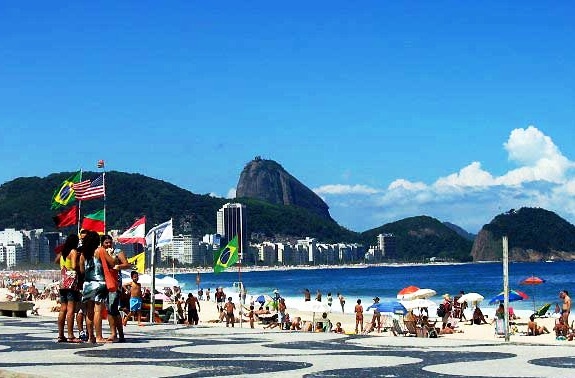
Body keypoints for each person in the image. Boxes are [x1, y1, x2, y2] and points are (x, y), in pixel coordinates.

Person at [100, 235, 130, 342]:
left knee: (113, 307)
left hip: (115, 283)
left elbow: (127, 264)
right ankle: (115, 333)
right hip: (104, 283)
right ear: (102, 243)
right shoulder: (101, 252)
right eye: (106, 243)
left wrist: (118, 266)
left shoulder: (117, 251)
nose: (108, 244)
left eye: (109, 242)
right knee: (109, 309)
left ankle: (117, 334)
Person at [79, 231, 108, 343]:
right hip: (99, 282)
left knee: (89, 311)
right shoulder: (99, 251)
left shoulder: (82, 255)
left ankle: (91, 337)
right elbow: (110, 263)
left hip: (87, 283)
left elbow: (82, 271)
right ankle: (99, 336)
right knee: (97, 311)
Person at [54, 234, 81, 343]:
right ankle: (70, 335)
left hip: (62, 281)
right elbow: (74, 266)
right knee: (71, 310)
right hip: (71, 282)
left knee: (63, 309)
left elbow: (56, 261)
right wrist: (79, 262)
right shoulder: (73, 252)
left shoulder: (62, 252)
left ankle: (61, 334)